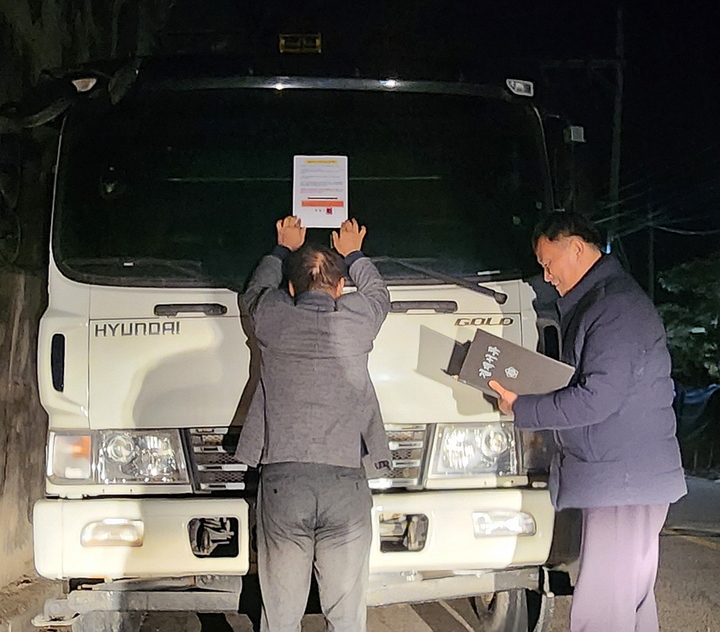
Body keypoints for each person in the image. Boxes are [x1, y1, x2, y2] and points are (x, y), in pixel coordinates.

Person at [489, 211, 686, 632]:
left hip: (622, 481)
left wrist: (524, 408)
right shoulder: (607, 301)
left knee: (602, 609)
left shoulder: (614, 309)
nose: (546, 276)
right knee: (627, 604)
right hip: (625, 479)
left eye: (548, 263)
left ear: (576, 248)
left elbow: (598, 398)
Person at [236, 215, 392, 632]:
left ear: (290, 289)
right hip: (346, 482)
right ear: (341, 289)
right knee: (346, 616)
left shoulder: (273, 317)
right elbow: (379, 295)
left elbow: (253, 293)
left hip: (283, 484)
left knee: (281, 615)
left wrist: (282, 247)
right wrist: (355, 252)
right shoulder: (358, 321)